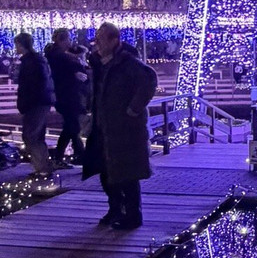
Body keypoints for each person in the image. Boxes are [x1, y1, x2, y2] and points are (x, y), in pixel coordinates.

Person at [85, 24, 158, 229]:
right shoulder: (100, 63)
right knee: (106, 171)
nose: (97, 43)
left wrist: (133, 109)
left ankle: (133, 215)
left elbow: (149, 80)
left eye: (101, 39)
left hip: (124, 128)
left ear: (114, 40)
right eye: (97, 39)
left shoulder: (128, 62)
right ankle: (116, 209)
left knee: (127, 174)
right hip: (104, 126)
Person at [45, 28, 88, 167]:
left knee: (71, 127)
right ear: (62, 41)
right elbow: (76, 70)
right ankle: (79, 156)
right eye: (68, 39)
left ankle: (65, 157)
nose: (70, 42)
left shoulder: (55, 55)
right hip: (67, 95)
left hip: (64, 95)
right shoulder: (61, 57)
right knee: (72, 127)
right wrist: (79, 60)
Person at [14, 32, 55, 177]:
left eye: (17, 45)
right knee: (36, 135)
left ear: (21, 45)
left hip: (35, 102)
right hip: (40, 101)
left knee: (31, 135)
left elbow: (32, 84)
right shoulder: (36, 60)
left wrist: (26, 101)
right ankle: (42, 167)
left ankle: (42, 168)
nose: (16, 48)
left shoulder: (31, 62)